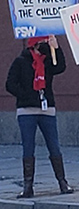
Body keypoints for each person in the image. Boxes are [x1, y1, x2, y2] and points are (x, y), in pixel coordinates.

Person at [5, 35, 73, 198]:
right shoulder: (20, 62)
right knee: (28, 147)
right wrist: (27, 96)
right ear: (34, 45)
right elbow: (10, 84)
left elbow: (61, 67)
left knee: (54, 145)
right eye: (42, 43)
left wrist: (56, 47)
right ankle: (28, 186)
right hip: (27, 110)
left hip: (46, 109)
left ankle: (63, 182)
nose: (44, 46)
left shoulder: (48, 60)